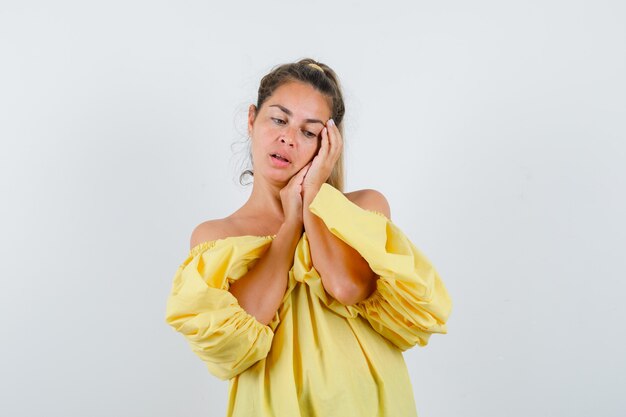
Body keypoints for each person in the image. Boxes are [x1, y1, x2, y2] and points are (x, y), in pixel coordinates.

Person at [165, 58, 452, 417]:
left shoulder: (362, 209)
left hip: (368, 404)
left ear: (328, 144)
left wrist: (314, 195)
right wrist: (289, 228)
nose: (287, 137)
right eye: (279, 119)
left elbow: (347, 288)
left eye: (309, 131)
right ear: (252, 120)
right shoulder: (217, 237)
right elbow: (243, 331)